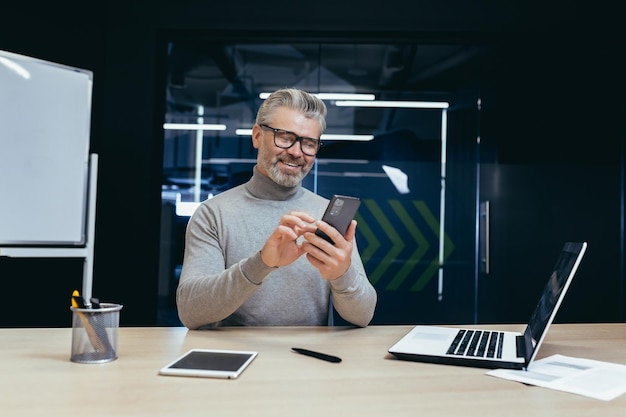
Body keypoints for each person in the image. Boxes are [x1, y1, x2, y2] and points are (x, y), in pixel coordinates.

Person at [176, 88, 377, 329]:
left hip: (310, 361)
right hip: (238, 360)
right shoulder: (212, 215)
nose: (295, 151)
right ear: (258, 136)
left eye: (309, 143)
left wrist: (343, 275)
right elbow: (190, 312)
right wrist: (262, 263)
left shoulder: (326, 215)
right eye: (284, 136)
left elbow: (363, 315)